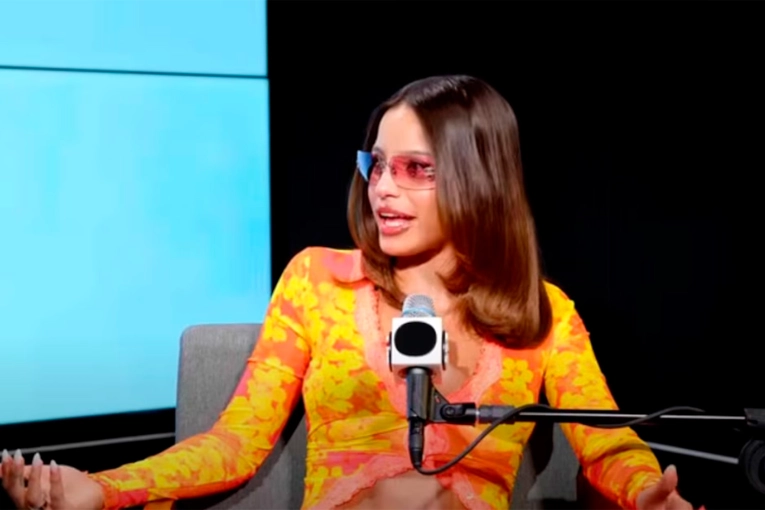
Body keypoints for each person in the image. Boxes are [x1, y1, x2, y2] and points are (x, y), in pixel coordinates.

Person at [1, 75, 696, 510]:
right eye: (377, 164)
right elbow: (235, 443)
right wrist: (103, 488)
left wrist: (649, 493)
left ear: (477, 179)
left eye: (415, 169)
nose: (383, 188)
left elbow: (607, 443)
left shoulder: (543, 312)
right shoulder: (317, 280)